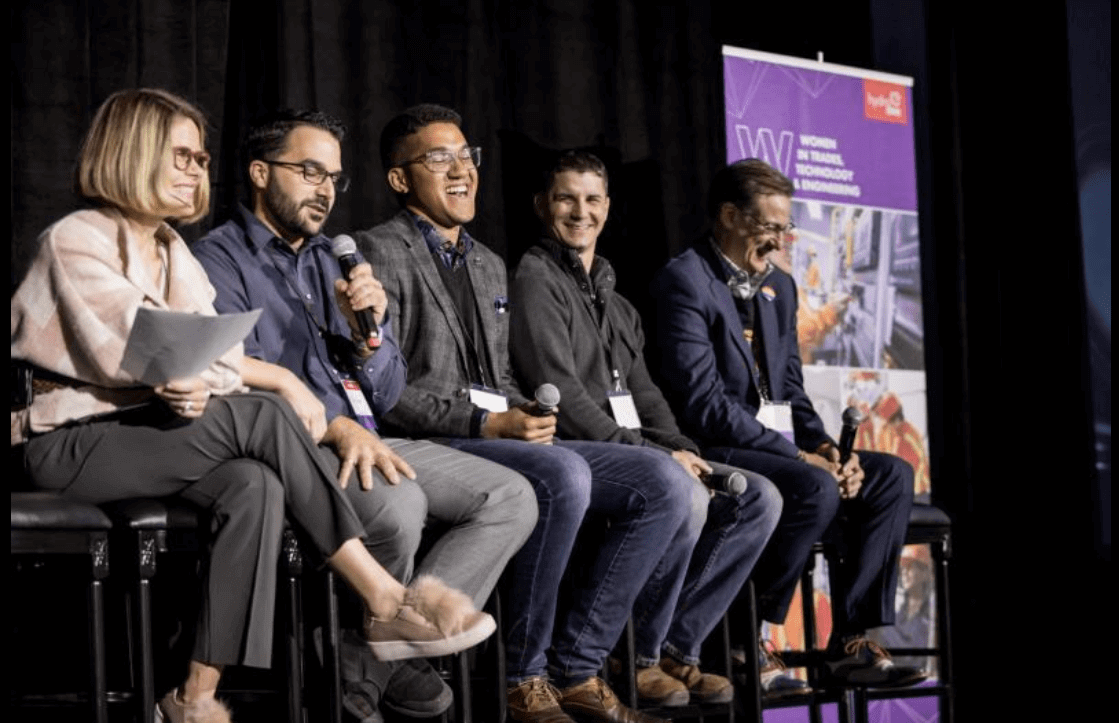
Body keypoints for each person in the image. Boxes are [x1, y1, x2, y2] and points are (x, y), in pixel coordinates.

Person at [10, 89, 493, 723]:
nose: (195, 170)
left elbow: (202, 347)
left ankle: (195, 697)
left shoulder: (171, 250)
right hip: (68, 441)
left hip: (146, 433)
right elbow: (135, 346)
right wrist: (263, 379)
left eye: (200, 157)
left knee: (253, 484)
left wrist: (193, 372)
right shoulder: (77, 238)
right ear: (133, 154)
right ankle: (382, 596)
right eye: (180, 155)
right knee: (268, 411)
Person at [192, 109, 536, 721]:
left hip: (372, 436)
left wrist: (368, 340)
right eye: (309, 171)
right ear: (259, 173)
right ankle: (372, 676)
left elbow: (387, 389)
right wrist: (333, 425)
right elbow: (230, 380)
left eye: (334, 178)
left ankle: (374, 664)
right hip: (295, 447)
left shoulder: (334, 260)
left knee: (511, 496)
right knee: (400, 507)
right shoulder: (220, 260)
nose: (325, 189)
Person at [355, 104, 694, 723]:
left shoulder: (487, 263)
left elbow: (502, 380)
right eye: (439, 159)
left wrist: (523, 412)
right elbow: (385, 390)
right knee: (565, 476)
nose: (461, 171)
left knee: (664, 481)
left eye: (467, 156)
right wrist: (486, 423)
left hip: (495, 435)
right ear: (400, 179)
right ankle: (525, 675)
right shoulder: (379, 252)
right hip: (430, 442)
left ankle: (578, 667)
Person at [508, 150, 783, 707]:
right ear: (542, 206)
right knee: (678, 489)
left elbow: (646, 394)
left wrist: (681, 446)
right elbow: (562, 393)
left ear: (607, 208)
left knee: (760, 498)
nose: (580, 212)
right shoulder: (535, 278)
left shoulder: (614, 293)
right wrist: (651, 454)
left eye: (591, 200)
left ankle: (675, 648)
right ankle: (619, 658)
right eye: (566, 198)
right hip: (574, 448)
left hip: (633, 448)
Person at [651, 158, 926, 688]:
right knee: (812, 485)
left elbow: (791, 391)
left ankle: (852, 642)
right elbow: (703, 405)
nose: (780, 241)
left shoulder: (780, 287)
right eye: (770, 227)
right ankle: (741, 637)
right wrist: (801, 459)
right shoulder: (684, 281)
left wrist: (828, 447)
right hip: (718, 448)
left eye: (785, 228)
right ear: (729, 216)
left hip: (781, 449)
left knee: (889, 476)